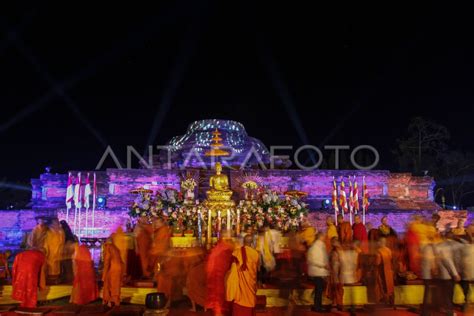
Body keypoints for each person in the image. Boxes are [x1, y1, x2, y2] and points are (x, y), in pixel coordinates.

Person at [205, 229, 235, 316]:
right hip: (219, 277)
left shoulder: (219, 248)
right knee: (219, 299)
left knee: (220, 299)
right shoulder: (224, 248)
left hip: (220, 276)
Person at [230, 234, 259, 316]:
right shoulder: (255, 254)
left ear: (243, 242)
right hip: (250, 283)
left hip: (240, 286)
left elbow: (232, 268)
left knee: (240, 302)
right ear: (252, 243)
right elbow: (255, 269)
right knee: (249, 301)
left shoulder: (236, 252)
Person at [307, 233, 329, 313]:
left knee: (319, 289)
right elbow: (312, 260)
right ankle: (317, 307)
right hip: (317, 271)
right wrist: (323, 265)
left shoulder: (320, 246)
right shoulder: (316, 247)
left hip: (319, 271)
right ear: (320, 237)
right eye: (323, 236)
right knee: (319, 290)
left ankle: (317, 305)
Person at [102, 240, 124, 307]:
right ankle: (115, 300)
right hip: (119, 267)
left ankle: (109, 300)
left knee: (109, 284)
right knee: (116, 285)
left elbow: (107, 261)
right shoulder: (115, 247)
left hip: (113, 267)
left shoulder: (108, 247)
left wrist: (104, 274)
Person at [374, 238, 394, 305]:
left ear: (380, 242)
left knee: (382, 284)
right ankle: (390, 299)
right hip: (389, 271)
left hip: (381, 271)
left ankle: (384, 299)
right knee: (389, 285)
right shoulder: (389, 250)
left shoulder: (378, 251)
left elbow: (377, 262)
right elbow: (391, 259)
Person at [327, 237, 344, 311]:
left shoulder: (339, 250)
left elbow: (342, 262)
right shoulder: (333, 250)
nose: (332, 243)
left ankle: (338, 304)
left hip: (338, 272)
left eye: (333, 242)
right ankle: (335, 303)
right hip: (334, 272)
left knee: (337, 289)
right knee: (334, 288)